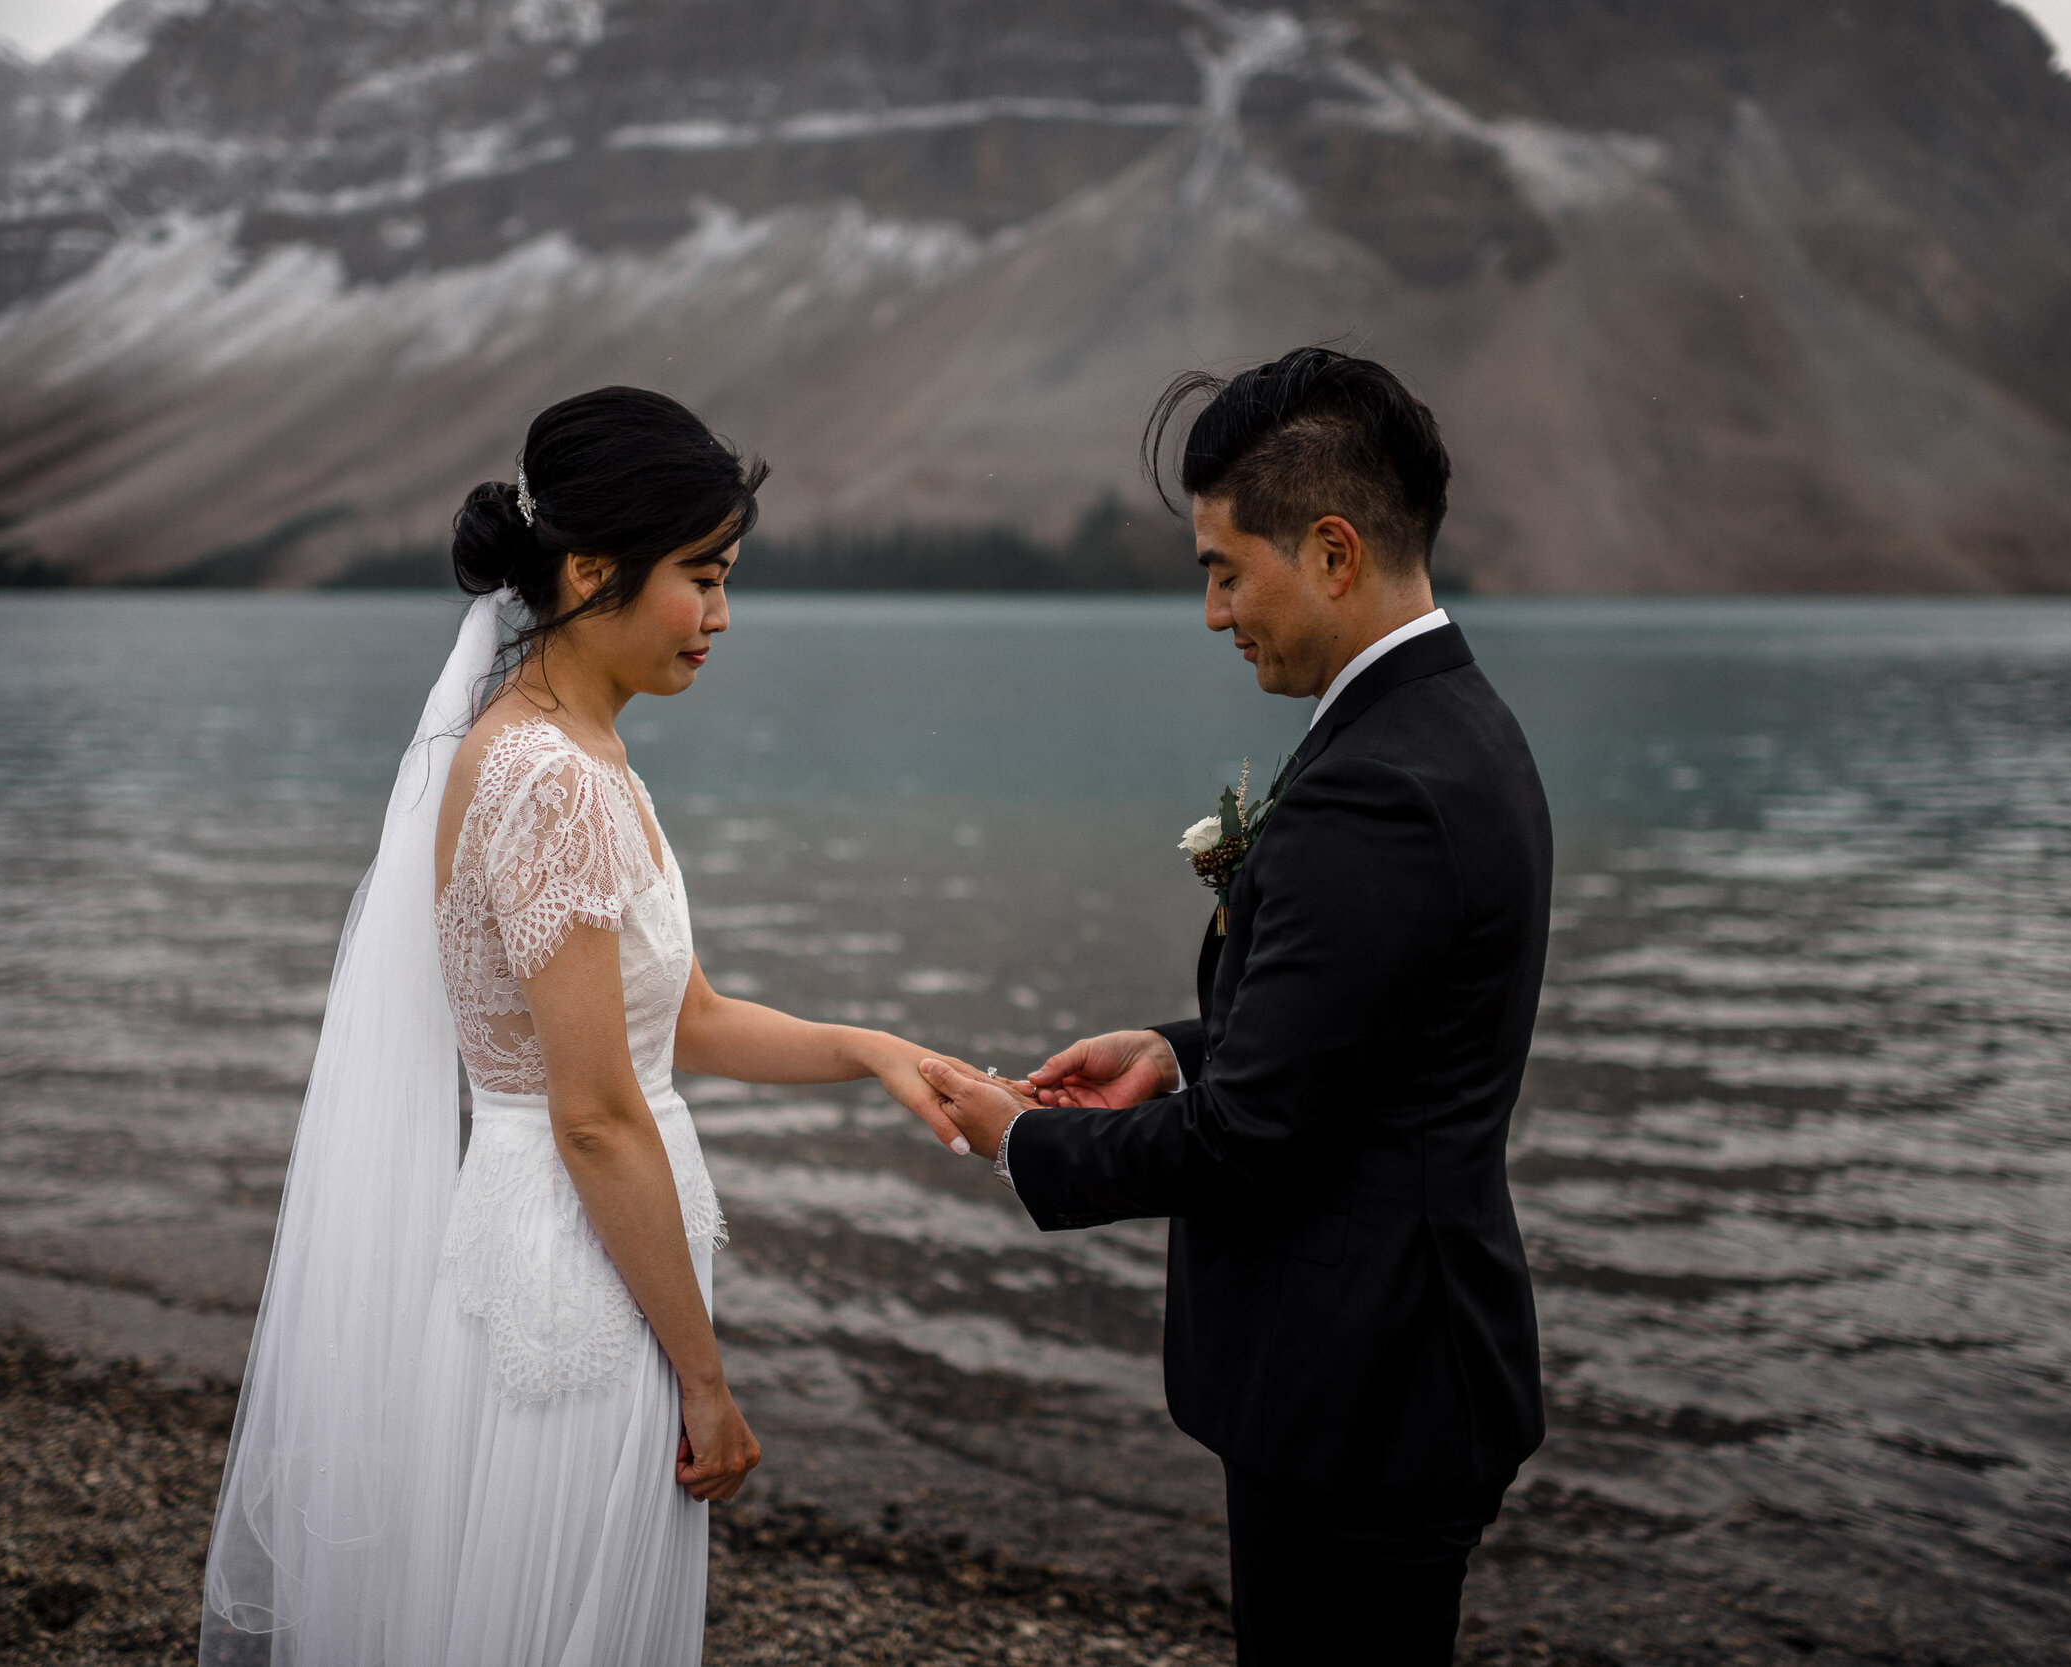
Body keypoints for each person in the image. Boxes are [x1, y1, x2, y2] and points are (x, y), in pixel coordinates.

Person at [199, 387, 969, 1667]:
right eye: (702, 577)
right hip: (577, 1282)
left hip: (541, 1249)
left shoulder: (551, 749)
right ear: (591, 567)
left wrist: (868, 1048)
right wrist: (707, 1380)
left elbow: (687, 1016)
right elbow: (598, 1113)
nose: (722, 616)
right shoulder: (556, 781)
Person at [919, 348, 1553, 1667]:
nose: (1212, 612)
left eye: (1223, 568)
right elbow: (1368, 1030)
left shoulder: (1381, 782)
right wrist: (1173, 1044)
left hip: (1365, 1393)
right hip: (1387, 1375)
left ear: (1330, 551)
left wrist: (1017, 1136)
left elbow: (1256, 1135)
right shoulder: (1447, 721)